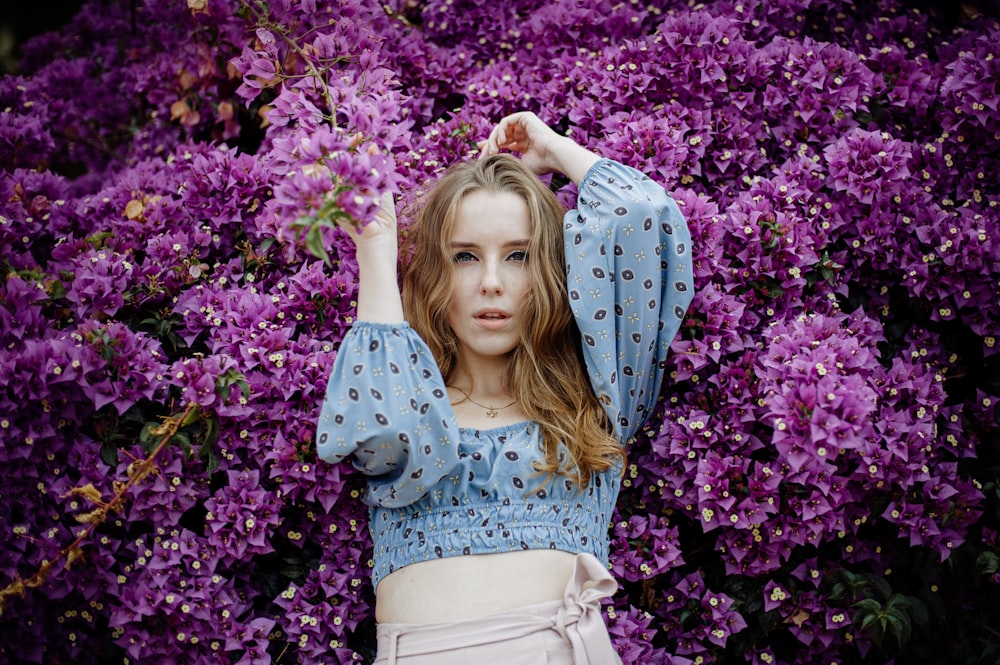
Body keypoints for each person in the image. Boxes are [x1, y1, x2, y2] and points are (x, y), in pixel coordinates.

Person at [316, 111, 693, 664]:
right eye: (465, 256)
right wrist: (375, 246)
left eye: (518, 256)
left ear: (549, 271)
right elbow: (378, 432)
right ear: (434, 276)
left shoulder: (596, 398)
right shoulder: (413, 406)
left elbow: (643, 218)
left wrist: (554, 148)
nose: (491, 281)